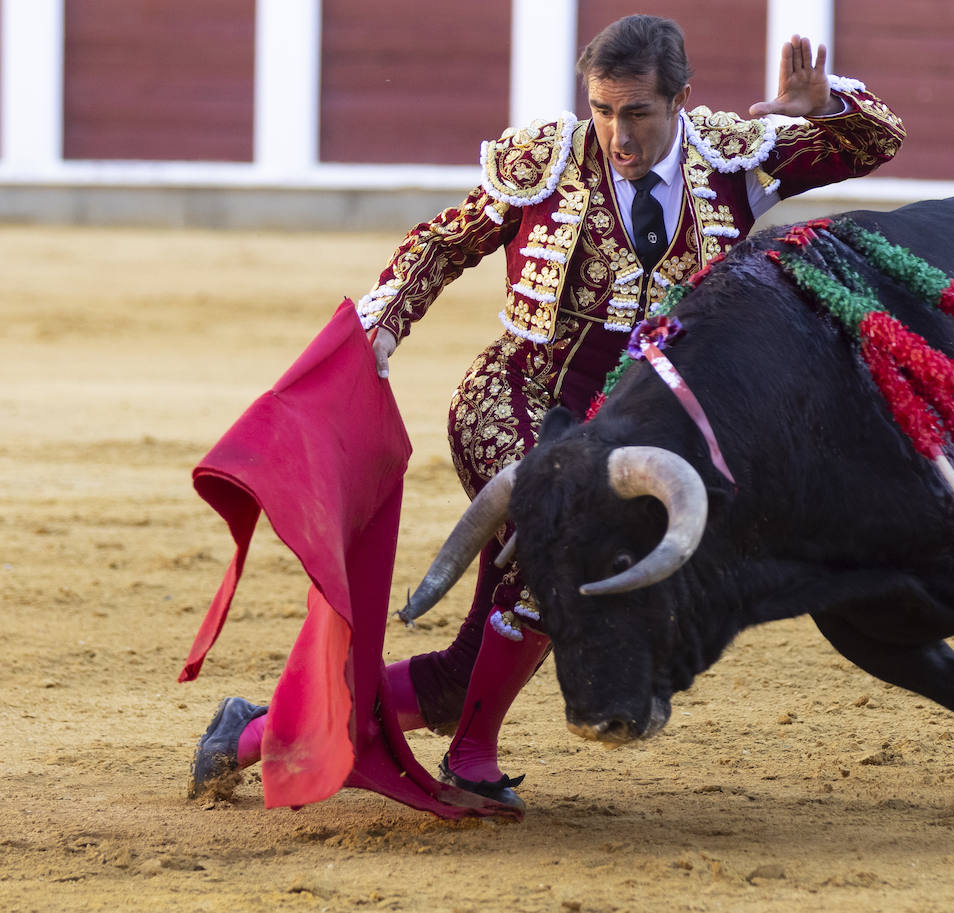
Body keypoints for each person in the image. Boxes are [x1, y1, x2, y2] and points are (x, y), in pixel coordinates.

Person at [191, 14, 904, 813]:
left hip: (627, 427)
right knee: (561, 543)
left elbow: (876, 139)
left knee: (490, 640)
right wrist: (378, 330)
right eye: (602, 109)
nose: (616, 133)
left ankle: (256, 731)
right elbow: (442, 243)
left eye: (636, 112)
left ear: (681, 101)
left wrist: (817, 105)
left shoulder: (734, 154)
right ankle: (471, 753)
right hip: (516, 400)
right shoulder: (546, 161)